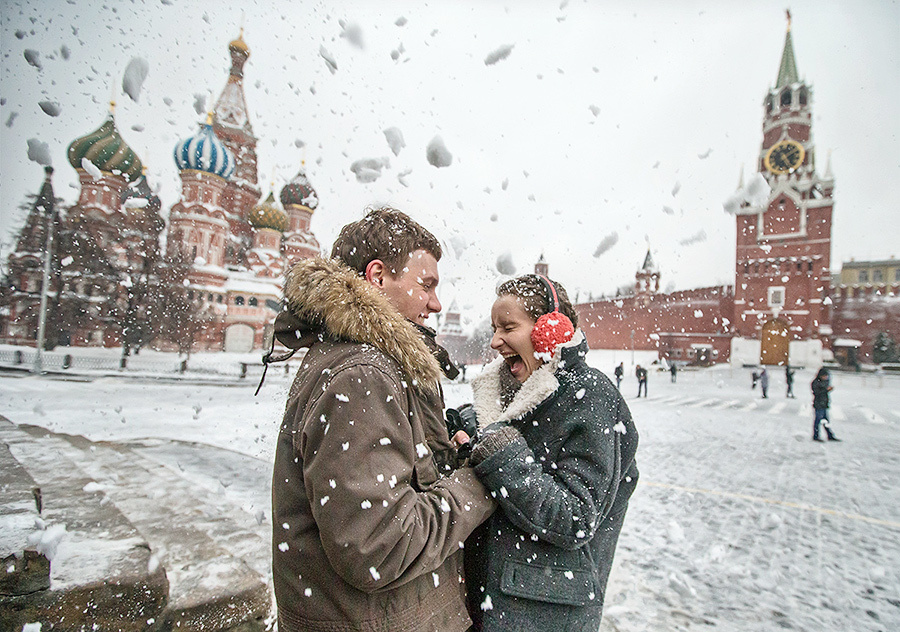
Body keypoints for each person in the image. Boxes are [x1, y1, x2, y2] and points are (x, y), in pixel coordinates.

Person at [270, 208, 495, 632]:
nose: (435, 303)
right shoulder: (362, 376)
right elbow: (379, 548)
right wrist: (478, 480)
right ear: (377, 277)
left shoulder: (366, 362)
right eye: (425, 285)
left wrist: (441, 447)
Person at [463, 274, 639, 632]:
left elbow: (577, 517)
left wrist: (503, 454)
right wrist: (469, 424)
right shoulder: (515, 389)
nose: (496, 341)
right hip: (491, 598)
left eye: (508, 327)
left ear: (551, 328)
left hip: (542, 613)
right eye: (495, 328)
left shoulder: (590, 396)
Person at [811, 367, 840, 442]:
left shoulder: (824, 382)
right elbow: (817, 393)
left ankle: (829, 435)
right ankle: (816, 436)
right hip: (818, 404)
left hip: (824, 403)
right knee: (818, 420)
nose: (826, 377)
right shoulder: (816, 382)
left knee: (825, 421)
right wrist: (826, 390)